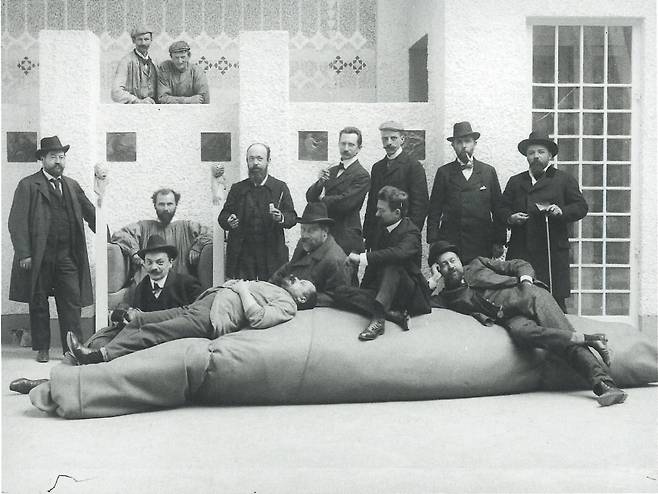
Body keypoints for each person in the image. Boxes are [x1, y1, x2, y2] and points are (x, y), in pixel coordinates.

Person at [427, 240, 627, 407]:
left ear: (460, 260)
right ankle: (590, 339)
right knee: (521, 334)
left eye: (453, 260)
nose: (451, 266)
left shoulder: (478, 264)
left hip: (531, 296)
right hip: (510, 318)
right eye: (443, 265)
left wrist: (526, 283)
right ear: (438, 269)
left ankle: (604, 384)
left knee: (560, 333)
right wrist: (433, 281)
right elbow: (419, 302)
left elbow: (519, 264)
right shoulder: (447, 298)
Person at [66, 276, 317, 365]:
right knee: (139, 320)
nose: (297, 278)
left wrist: (242, 290)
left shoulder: (288, 305)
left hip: (211, 319)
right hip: (201, 305)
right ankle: (96, 349)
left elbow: (258, 317)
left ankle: (99, 356)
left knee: (153, 332)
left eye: (302, 283)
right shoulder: (278, 290)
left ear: (303, 299)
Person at [8, 136, 95, 362]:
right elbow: (16, 222)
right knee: (38, 302)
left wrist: (106, 233)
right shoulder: (28, 185)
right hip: (39, 257)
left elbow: (90, 211)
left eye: (62, 157)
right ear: (43, 159)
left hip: (66, 255)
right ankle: (43, 347)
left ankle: (72, 348)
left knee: (71, 302)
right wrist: (24, 253)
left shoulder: (72, 185)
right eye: (54, 157)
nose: (59, 161)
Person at [501, 131, 588, 312]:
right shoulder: (516, 182)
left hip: (552, 252)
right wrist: (510, 218)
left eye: (541, 152)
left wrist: (561, 211)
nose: (536, 157)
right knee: (520, 301)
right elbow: (501, 209)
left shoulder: (563, 180)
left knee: (554, 303)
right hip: (521, 251)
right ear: (526, 156)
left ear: (550, 155)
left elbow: (581, 206)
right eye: (531, 153)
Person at [338, 186, 431, 341]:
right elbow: (373, 266)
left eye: (382, 210)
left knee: (392, 264)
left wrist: (361, 258)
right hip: (384, 292)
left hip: (406, 293)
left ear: (397, 213)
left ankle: (379, 319)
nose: (376, 214)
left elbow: (397, 253)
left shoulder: (411, 232)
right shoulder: (380, 228)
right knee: (341, 292)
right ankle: (393, 314)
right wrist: (363, 290)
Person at [84, 235, 203, 351]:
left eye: (160, 262)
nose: (154, 267)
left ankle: (99, 354)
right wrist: (123, 315)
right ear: (144, 264)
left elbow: (197, 317)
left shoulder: (188, 284)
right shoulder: (142, 286)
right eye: (149, 262)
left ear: (170, 263)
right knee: (103, 337)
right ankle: (85, 350)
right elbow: (133, 320)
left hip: (176, 341)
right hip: (146, 342)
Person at [427, 121, 506, 263]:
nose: (464, 146)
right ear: (453, 145)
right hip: (452, 242)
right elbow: (434, 210)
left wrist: (499, 240)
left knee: (480, 279)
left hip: (482, 241)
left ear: (475, 143)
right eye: (459, 142)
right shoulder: (444, 172)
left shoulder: (488, 171)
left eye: (468, 141)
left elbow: (498, 208)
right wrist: (433, 241)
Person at [218, 143, 297, 281]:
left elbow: (292, 217)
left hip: (270, 254)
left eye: (260, 159)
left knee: (269, 293)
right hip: (243, 255)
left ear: (268, 161)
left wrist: (281, 218)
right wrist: (229, 220)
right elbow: (223, 215)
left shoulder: (280, 187)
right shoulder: (238, 188)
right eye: (251, 159)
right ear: (247, 161)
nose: (255, 163)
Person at [111, 188, 212, 279]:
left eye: (170, 204)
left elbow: (211, 234)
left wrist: (198, 246)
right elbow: (120, 235)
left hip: (181, 283)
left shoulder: (188, 226)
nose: (166, 209)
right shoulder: (143, 226)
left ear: (176, 205)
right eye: (161, 204)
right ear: (155, 205)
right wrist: (134, 252)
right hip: (149, 283)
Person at [305, 126, 370, 255]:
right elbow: (310, 198)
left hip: (346, 235)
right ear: (338, 144)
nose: (346, 148)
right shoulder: (332, 170)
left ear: (359, 148)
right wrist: (320, 183)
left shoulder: (362, 175)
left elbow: (344, 203)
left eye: (351, 145)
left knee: (345, 274)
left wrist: (321, 200)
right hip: (326, 233)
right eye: (343, 143)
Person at [363, 121, 428, 248]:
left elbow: (420, 205)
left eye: (393, 138)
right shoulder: (377, 168)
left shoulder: (413, 166)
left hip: (402, 237)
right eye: (385, 139)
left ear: (402, 139)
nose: (389, 142)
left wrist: (411, 234)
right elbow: (372, 204)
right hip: (378, 235)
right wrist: (367, 235)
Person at [270, 202, 349, 306]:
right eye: (303, 229)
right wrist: (269, 286)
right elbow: (288, 268)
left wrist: (293, 297)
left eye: (311, 230)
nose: (304, 235)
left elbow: (335, 298)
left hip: (313, 313)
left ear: (324, 231)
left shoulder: (335, 259)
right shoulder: (302, 244)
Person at [111, 25, 158, 104]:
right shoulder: (126, 61)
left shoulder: (155, 62)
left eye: (146, 39)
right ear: (133, 40)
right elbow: (116, 92)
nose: (143, 43)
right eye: (140, 39)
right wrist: (137, 101)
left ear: (151, 40)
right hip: (133, 110)